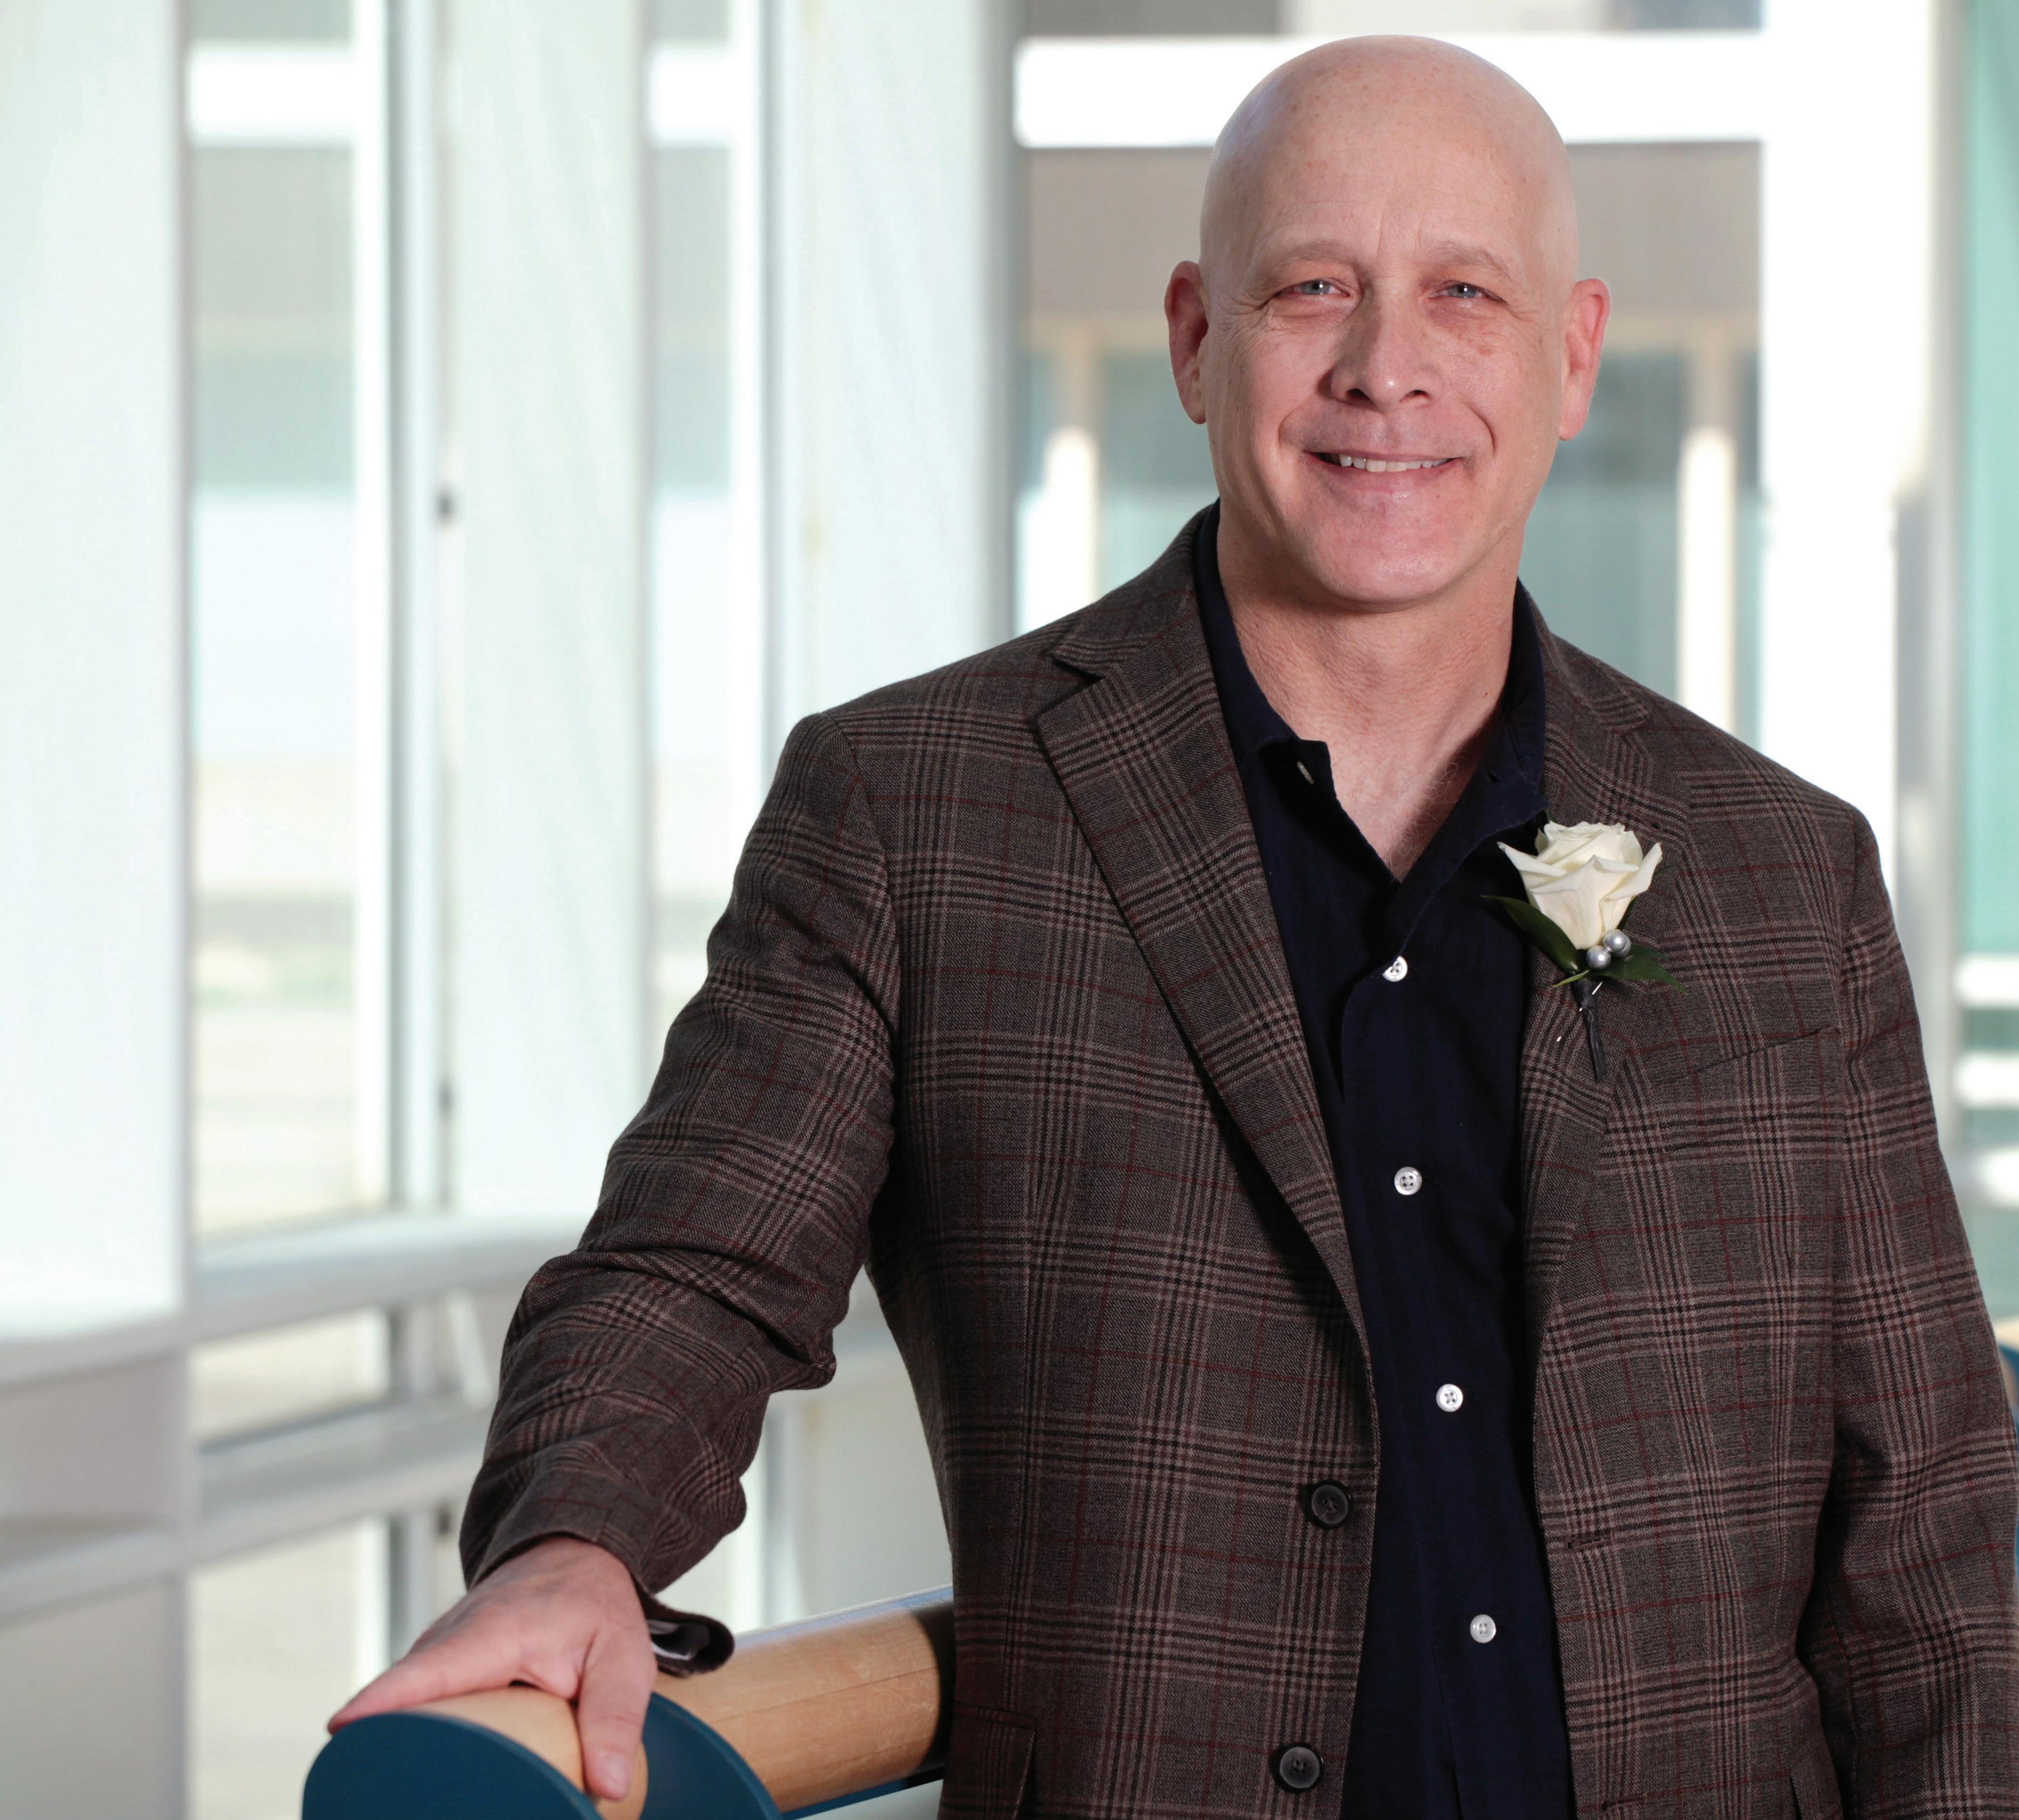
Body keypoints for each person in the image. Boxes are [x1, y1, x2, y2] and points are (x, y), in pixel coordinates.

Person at [331, 36, 2019, 1819]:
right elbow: (692, 1270)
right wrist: (573, 1538)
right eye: (1313, 289)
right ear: (1197, 339)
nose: (1385, 368)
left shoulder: (1782, 869)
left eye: (1463, 293)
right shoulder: (914, 808)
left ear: (1573, 355)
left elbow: (1922, 1521)